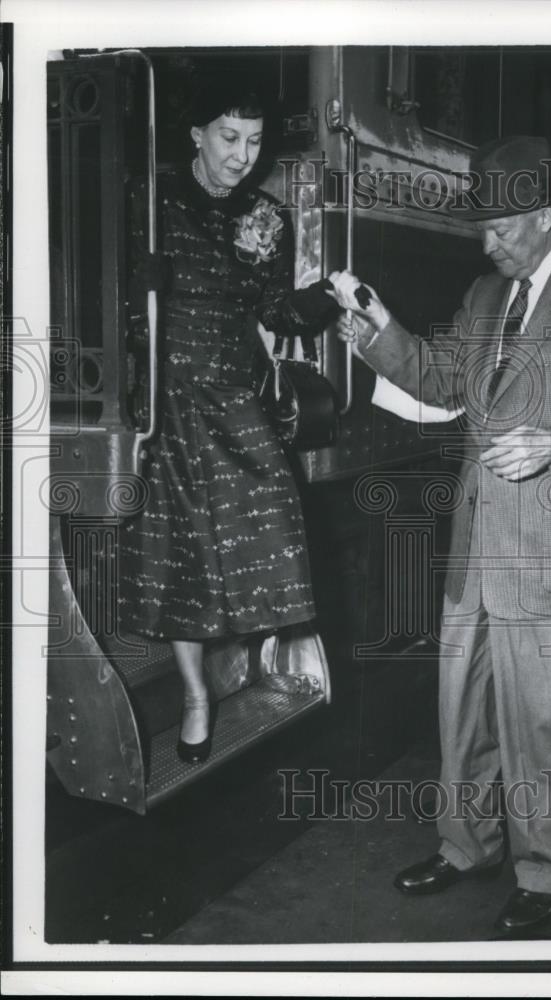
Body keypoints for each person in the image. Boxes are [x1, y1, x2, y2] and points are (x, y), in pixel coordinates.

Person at [326, 136, 551, 937]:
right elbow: (446, 380)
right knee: (464, 711)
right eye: (481, 229)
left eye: (501, 229)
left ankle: (548, 869)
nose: (486, 244)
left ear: (545, 218)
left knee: (542, 722)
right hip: (477, 546)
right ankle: (466, 846)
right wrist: (378, 331)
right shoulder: (487, 294)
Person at [119, 79, 330, 764]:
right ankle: (195, 696)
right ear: (197, 136)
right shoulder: (150, 202)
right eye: (230, 138)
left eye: (256, 140)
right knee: (177, 554)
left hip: (234, 392)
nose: (244, 155)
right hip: (166, 397)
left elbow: (275, 311)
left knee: (273, 516)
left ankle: (244, 654)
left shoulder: (267, 217)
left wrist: (327, 299)